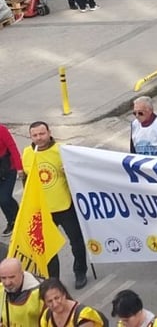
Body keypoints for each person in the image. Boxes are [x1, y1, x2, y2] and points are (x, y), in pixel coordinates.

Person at [22, 122, 88, 288]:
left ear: (49, 133)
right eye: (35, 135)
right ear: (31, 137)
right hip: (43, 210)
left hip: (65, 206)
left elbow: (77, 174)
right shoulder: (28, 153)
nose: (39, 138)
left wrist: (70, 171)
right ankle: (53, 281)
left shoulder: (61, 150)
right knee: (47, 249)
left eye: (42, 134)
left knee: (77, 242)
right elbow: (26, 180)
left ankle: (80, 270)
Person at [38, 278, 106, 326]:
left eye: (57, 298)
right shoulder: (47, 316)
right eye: (49, 301)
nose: (55, 304)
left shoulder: (83, 316)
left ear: (64, 294)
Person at [0, 258, 43, 326]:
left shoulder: (41, 294)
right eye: (3, 278)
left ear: (22, 273)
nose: (7, 283)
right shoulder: (1, 289)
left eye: (12, 277)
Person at [0, 123, 21, 235]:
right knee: (2, 200)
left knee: (4, 198)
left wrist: (19, 168)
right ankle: (13, 220)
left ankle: (17, 219)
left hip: (8, 169)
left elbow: (13, 148)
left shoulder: (2, 130)